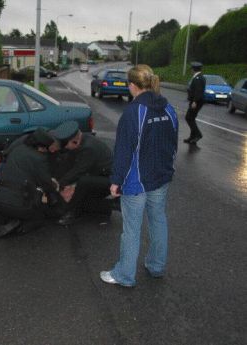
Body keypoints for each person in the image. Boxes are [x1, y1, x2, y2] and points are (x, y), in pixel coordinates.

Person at [100, 64, 178, 287]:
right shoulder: (168, 109)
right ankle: (156, 266)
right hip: (161, 178)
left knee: (131, 230)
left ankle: (124, 275)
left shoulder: (133, 112)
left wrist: (116, 181)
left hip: (136, 181)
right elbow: (172, 144)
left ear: (132, 86)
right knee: (158, 221)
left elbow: (124, 151)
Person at [0, 128, 59, 237]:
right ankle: (19, 225)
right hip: (19, 207)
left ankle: (0, 216)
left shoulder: (18, 149)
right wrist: (55, 186)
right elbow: (46, 185)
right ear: (42, 147)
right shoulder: (40, 158)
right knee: (40, 216)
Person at [51, 121, 115, 225]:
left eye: (65, 145)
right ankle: (100, 208)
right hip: (98, 173)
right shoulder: (81, 139)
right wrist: (56, 178)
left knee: (82, 183)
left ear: (74, 142)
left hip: (110, 180)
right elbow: (68, 162)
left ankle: (72, 212)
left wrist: (58, 184)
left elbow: (79, 170)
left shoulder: (89, 148)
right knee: (80, 193)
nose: (64, 148)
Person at [184, 61, 205, 144]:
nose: (191, 70)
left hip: (196, 102)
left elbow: (198, 91)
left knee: (188, 117)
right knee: (191, 118)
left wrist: (194, 101)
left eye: (191, 69)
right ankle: (192, 137)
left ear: (194, 69)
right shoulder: (198, 77)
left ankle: (198, 134)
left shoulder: (198, 78)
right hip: (195, 101)